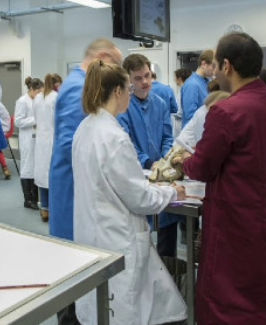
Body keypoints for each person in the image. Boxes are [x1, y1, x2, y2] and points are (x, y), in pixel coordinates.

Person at [178, 33, 266, 325]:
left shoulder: (227, 111)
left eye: (217, 66)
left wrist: (184, 161)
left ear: (227, 66)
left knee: (229, 306)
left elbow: (203, 167)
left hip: (237, 231)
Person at [72, 59, 187, 325]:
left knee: (100, 308)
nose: (131, 95)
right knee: (122, 308)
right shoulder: (114, 136)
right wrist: (172, 193)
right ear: (117, 92)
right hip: (117, 238)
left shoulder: (86, 128)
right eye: (129, 88)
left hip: (93, 232)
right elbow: (140, 198)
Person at [48, 38, 122, 325]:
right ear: (102, 58)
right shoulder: (79, 87)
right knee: (72, 277)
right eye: (115, 67)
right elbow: (71, 145)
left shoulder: (82, 85)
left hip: (80, 193)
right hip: (73, 196)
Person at [117, 54, 176, 257]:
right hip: (138, 175)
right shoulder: (124, 107)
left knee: (168, 225)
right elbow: (128, 143)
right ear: (128, 81)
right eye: (138, 78)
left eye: (148, 76)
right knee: (141, 235)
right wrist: (148, 162)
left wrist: (165, 159)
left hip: (162, 174)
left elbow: (168, 136)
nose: (145, 82)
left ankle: (169, 270)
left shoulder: (160, 103)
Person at [33, 73, 62, 222]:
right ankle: (54, 209)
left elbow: (35, 118)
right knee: (52, 175)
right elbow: (59, 119)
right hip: (53, 139)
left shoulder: (38, 97)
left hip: (41, 140)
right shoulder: (56, 98)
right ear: (57, 84)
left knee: (43, 175)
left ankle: (44, 208)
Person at [15, 77, 43, 212]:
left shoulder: (37, 100)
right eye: (38, 92)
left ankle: (35, 197)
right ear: (32, 89)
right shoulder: (22, 101)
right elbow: (18, 121)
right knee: (27, 167)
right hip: (27, 138)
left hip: (37, 137)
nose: (39, 95)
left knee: (36, 166)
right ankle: (28, 199)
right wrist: (35, 120)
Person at [180, 49, 214, 128]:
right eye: (213, 66)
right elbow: (191, 116)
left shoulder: (208, 81)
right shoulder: (192, 84)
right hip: (194, 134)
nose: (215, 70)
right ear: (204, 64)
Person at [172, 67, 191, 137]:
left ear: (179, 79)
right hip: (179, 121)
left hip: (181, 121)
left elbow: (180, 110)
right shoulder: (182, 90)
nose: (174, 80)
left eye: (175, 77)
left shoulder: (185, 90)